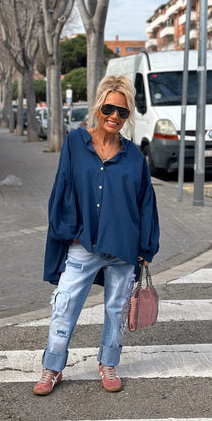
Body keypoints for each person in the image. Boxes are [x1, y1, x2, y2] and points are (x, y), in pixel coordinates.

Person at [33, 75, 160, 396]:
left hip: (122, 246)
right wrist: (71, 232)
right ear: (98, 107)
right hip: (84, 242)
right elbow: (63, 187)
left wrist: (146, 246)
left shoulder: (133, 157)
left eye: (122, 113)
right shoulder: (76, 143)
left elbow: (146, 202)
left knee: (116, 309)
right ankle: (52, 367)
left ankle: (108, 363)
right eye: (109, 109)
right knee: (65, 303)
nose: (114, 117)